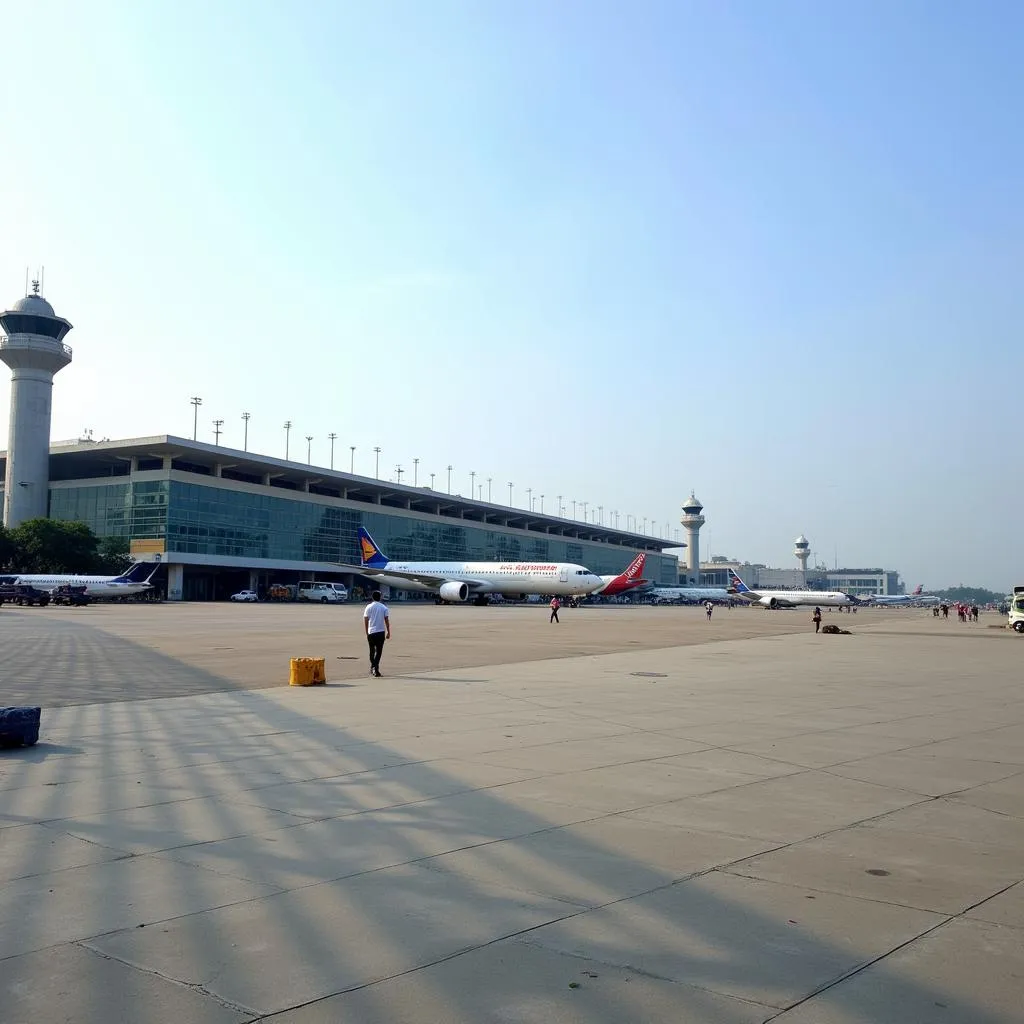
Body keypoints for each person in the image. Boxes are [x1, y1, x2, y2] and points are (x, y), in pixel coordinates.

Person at [363, 590, 390, 677]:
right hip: (380, 632)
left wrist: (367, 631)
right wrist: (389, 632)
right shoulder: (384, 607)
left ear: (372, 597)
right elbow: (386, 620)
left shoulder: (368, 607)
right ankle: (375, 668)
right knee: (379, 652)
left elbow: (366, 620)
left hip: (371, 632)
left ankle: (373, 667)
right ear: (380, 597)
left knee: (371, 651)